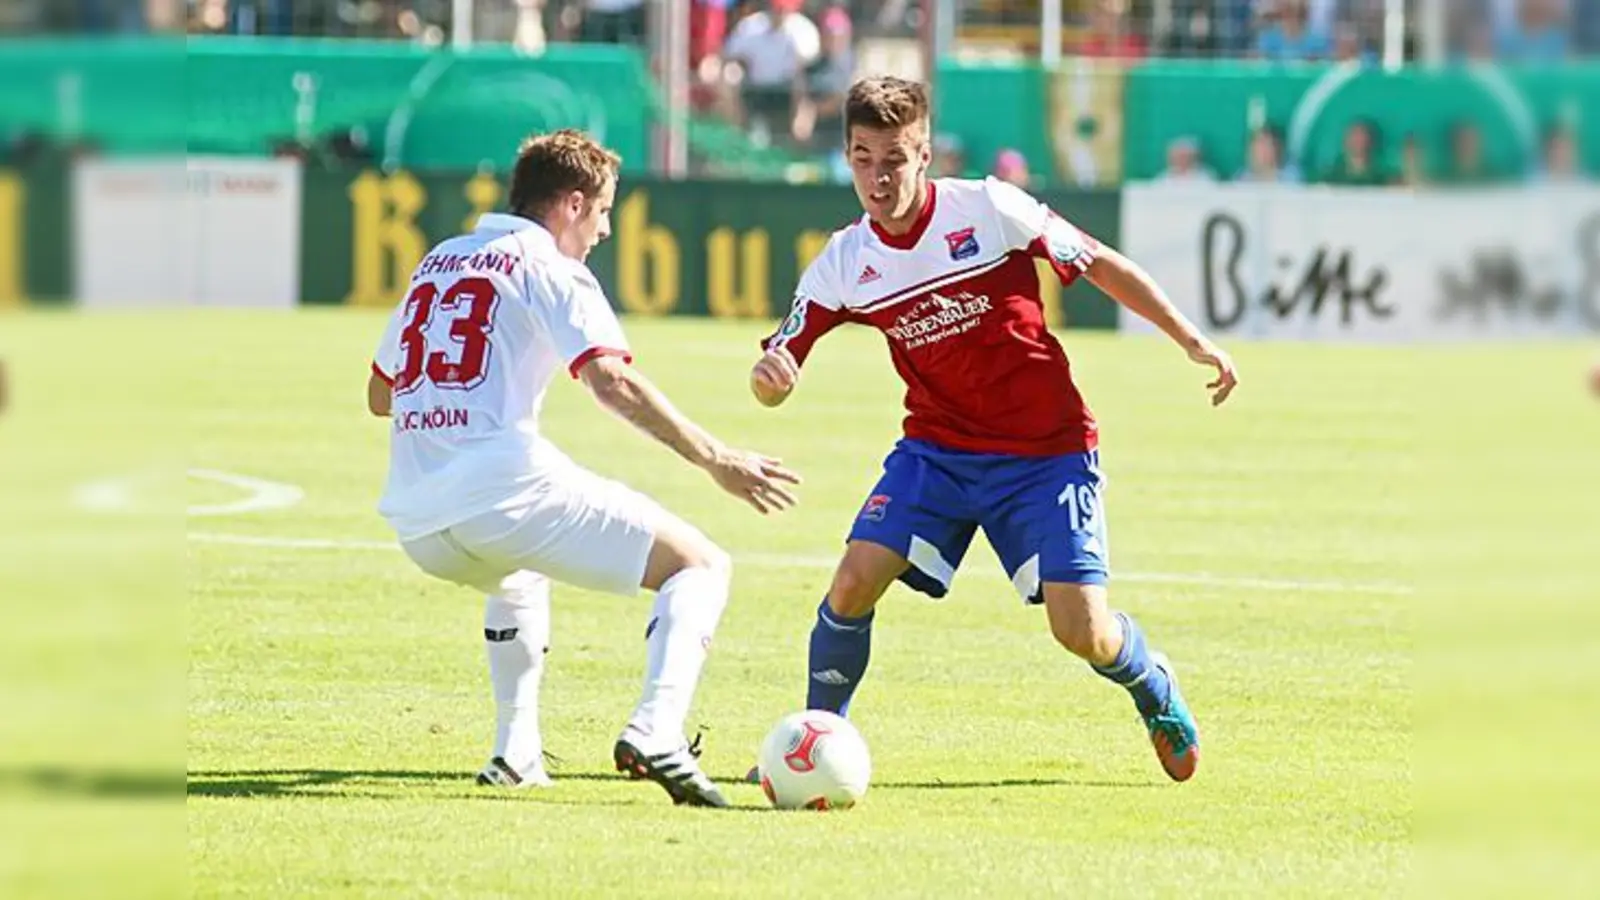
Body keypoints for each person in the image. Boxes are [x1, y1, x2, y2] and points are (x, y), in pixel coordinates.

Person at [747, 77, 1239, 783]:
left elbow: (1099, 263)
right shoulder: (846, 260)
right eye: (862, 158)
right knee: (853, 583)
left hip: (1047, 452)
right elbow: (782, 352)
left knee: (1083, 631)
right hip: (937, 452)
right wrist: (774, 375)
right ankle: (816, 745)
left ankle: (1150, 681)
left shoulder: (988, 207)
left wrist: (1190, 339)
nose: (878, 178)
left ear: (924, 153)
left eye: (893, 158)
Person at [366, 129, 800, 808]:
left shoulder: (439, 261)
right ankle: (657, 729)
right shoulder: (548, 265)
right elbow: (610, 381)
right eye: (602, 213)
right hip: (499, 490)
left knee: (516, 573)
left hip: (417, 519)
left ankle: (514, 754)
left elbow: (379, 394)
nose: (602, 231)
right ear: (571, 203)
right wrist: (717, 458)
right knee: (701, 566)